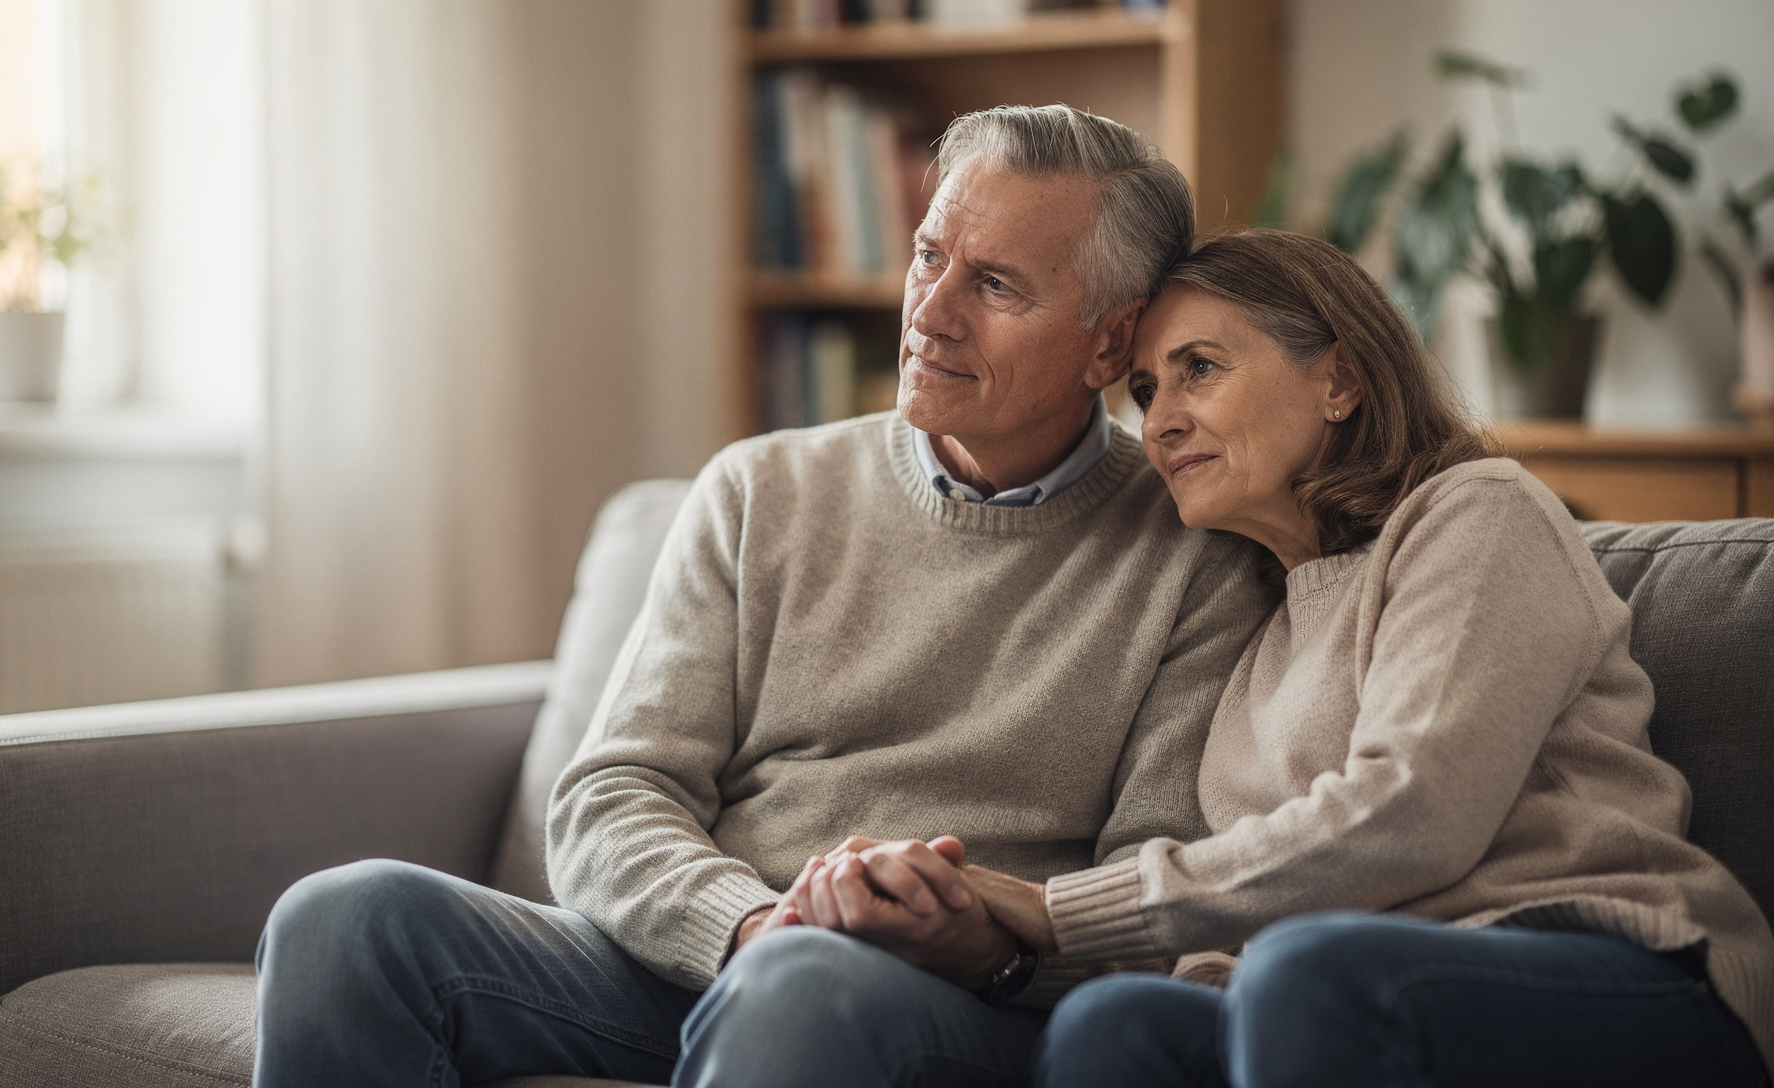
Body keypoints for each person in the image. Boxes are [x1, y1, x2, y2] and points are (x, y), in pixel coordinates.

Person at [249, 106, 1278, 1088]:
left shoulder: (1196, 552)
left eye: (997, 285)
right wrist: (747, 923)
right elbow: (613, 795)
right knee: (347, 916)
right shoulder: (759, 489)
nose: (930, 312)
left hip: (966, 1005)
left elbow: (1158, 902)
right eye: (929, 256)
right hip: (726, 953)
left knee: (804, 987)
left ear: (1111, 342)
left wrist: (992, 950)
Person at [829, 229, 1773, 1087]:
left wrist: (1056, 908)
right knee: (1120, 1021)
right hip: (1338, 991)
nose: (1158, 422)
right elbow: (1249, 909)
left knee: (1302, 971)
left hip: (1621, 973)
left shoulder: (1476, 515)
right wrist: (992, 941)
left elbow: (1417, 811)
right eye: (1147, 391)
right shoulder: (1256, 625)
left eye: (1199, 368)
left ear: (1340, 380)